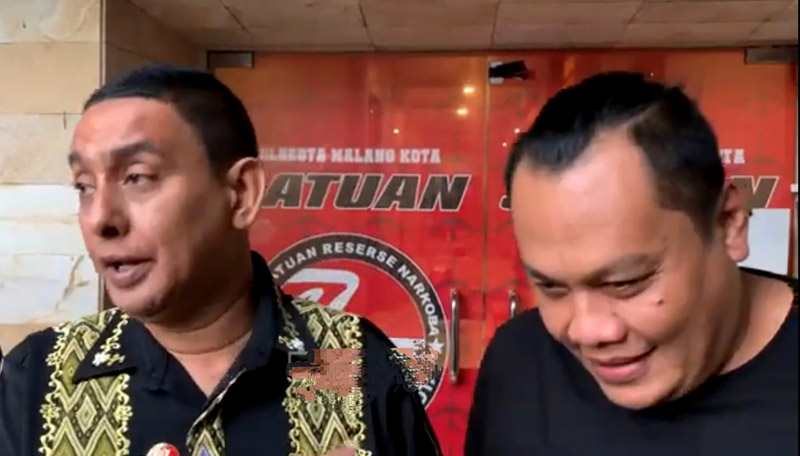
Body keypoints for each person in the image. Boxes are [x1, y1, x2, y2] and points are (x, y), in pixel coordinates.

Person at [0, 64, 442, 456]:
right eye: (84, 186)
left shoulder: (352, 361)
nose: (100, 219)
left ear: (242, 193)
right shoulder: (40, 377)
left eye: (137, 177)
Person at [465, 72, 797, 455]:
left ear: (728, 225)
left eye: (625, 283)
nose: (588, 331)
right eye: (552, 287)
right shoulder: (519, 362)